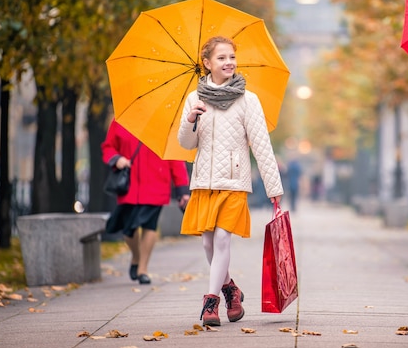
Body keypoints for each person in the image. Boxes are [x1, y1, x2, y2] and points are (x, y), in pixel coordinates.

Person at [177, 36, 284, 327]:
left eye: (232, 57)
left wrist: (274, 188)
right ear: (207, 63)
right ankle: (231, 290)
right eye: (222, 58)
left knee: (223, 238)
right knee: (208, 244)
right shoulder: (194, 98)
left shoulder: (248, 100)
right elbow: (186, 144)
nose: (229, 63)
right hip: (204, 181)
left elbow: (262, 145)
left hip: (235, 181)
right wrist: (190, 120)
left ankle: (210, 302)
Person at [102, 120, 190, 285]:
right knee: (128, 230)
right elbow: (108, 147)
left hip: (156, 183)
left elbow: (174, 156)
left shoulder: (165, 123)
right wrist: (117, 159)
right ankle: (136, 256)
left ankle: (143, 269)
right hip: (130, 186)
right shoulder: (122, 120)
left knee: (150, 226)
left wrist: (182, 190)